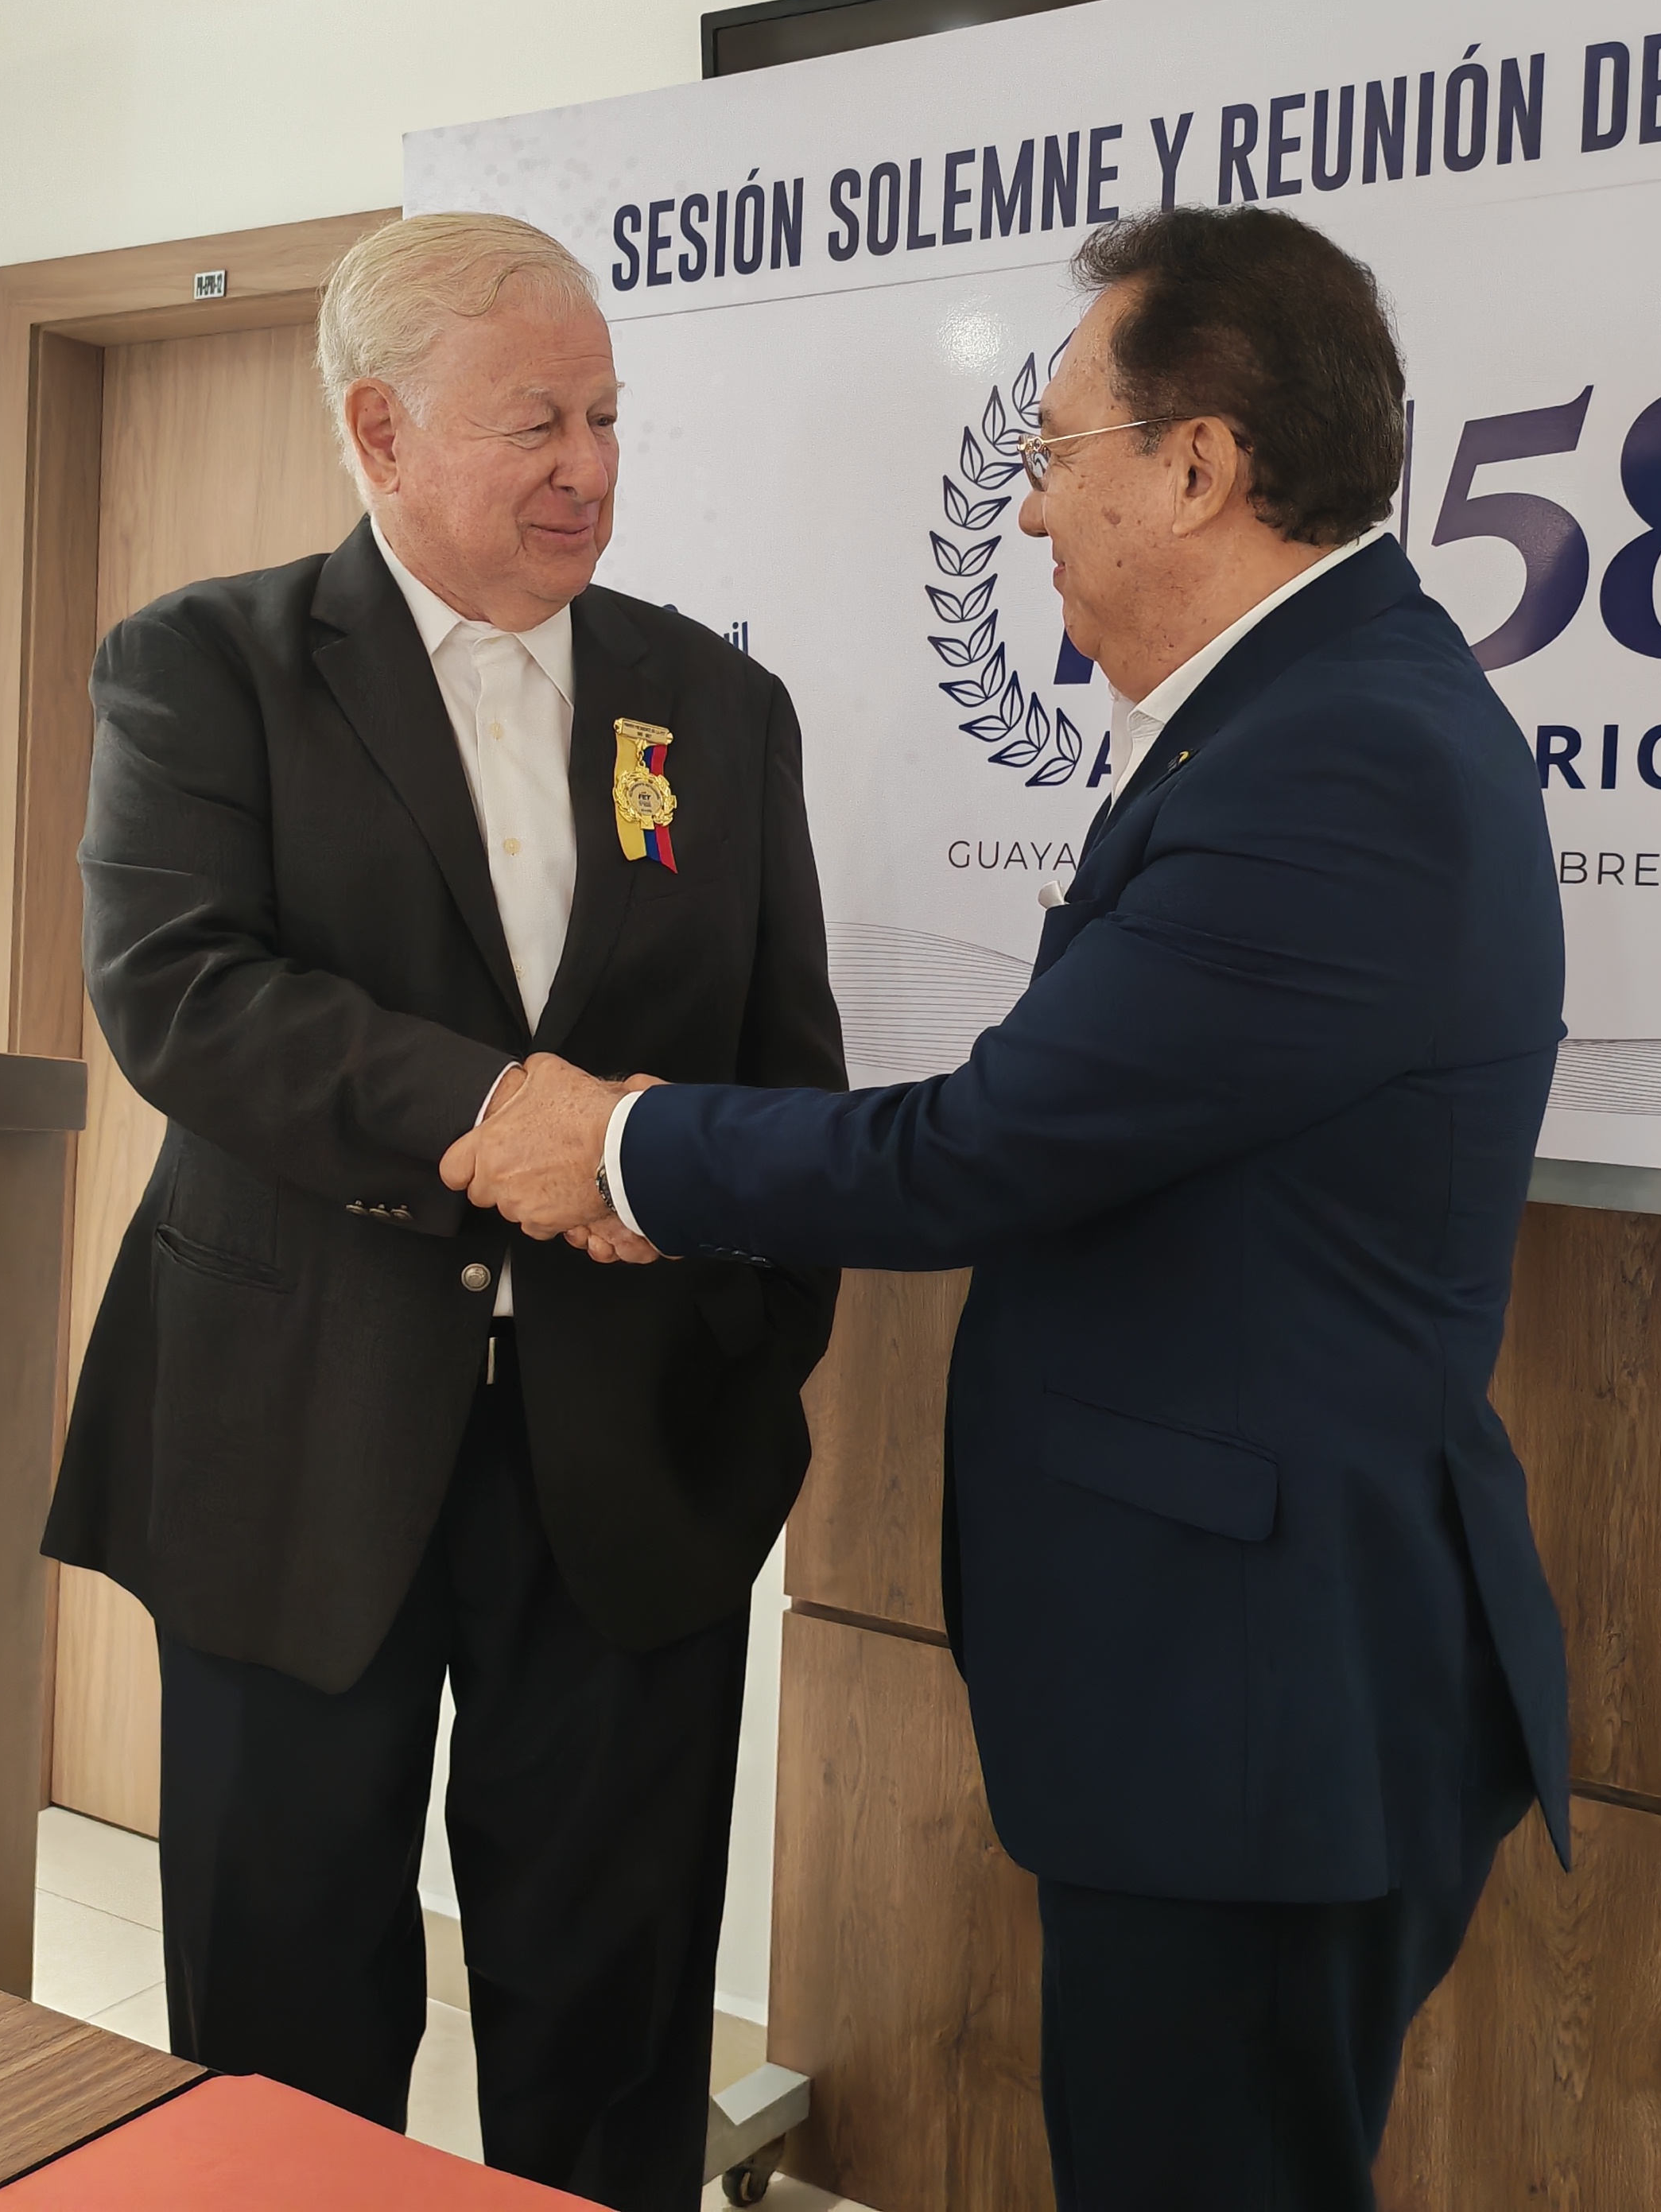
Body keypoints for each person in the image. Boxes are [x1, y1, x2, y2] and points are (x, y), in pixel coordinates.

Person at [445, 203, 1571, 2211]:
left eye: (1055, 455)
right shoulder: (1297, 716)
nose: (1031, 513)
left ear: (1197, 466)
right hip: (1233, 1679)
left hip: (1257, 1699)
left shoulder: (1335, 759)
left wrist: (612, 1146)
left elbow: (986, 1149)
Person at [41, 211, 846, 2212]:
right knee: (285, 2004)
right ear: (380, 431)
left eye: (605, 417)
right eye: (533, 422)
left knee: (612, 2007)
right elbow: (181, 995)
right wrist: (500, 1116)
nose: (586, 465)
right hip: (292, 1433)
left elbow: (782, 1065)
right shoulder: (204, 668)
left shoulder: (713, 708)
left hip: (630, 1452)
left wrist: (749, 1362)